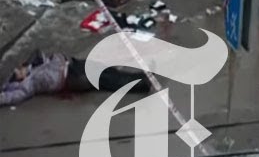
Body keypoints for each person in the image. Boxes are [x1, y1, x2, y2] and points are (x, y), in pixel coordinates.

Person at [1, 50, 149, 107]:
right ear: (18, 80)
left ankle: (139, 77)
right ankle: (140, 85)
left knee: (108, 72)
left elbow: (45, 55)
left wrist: (37, 62)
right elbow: (12, 97)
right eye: (17, 72)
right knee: (108, 80)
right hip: (73, 78)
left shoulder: (35, 67)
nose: (19, 69)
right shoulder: (28, 85)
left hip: (72, 67)